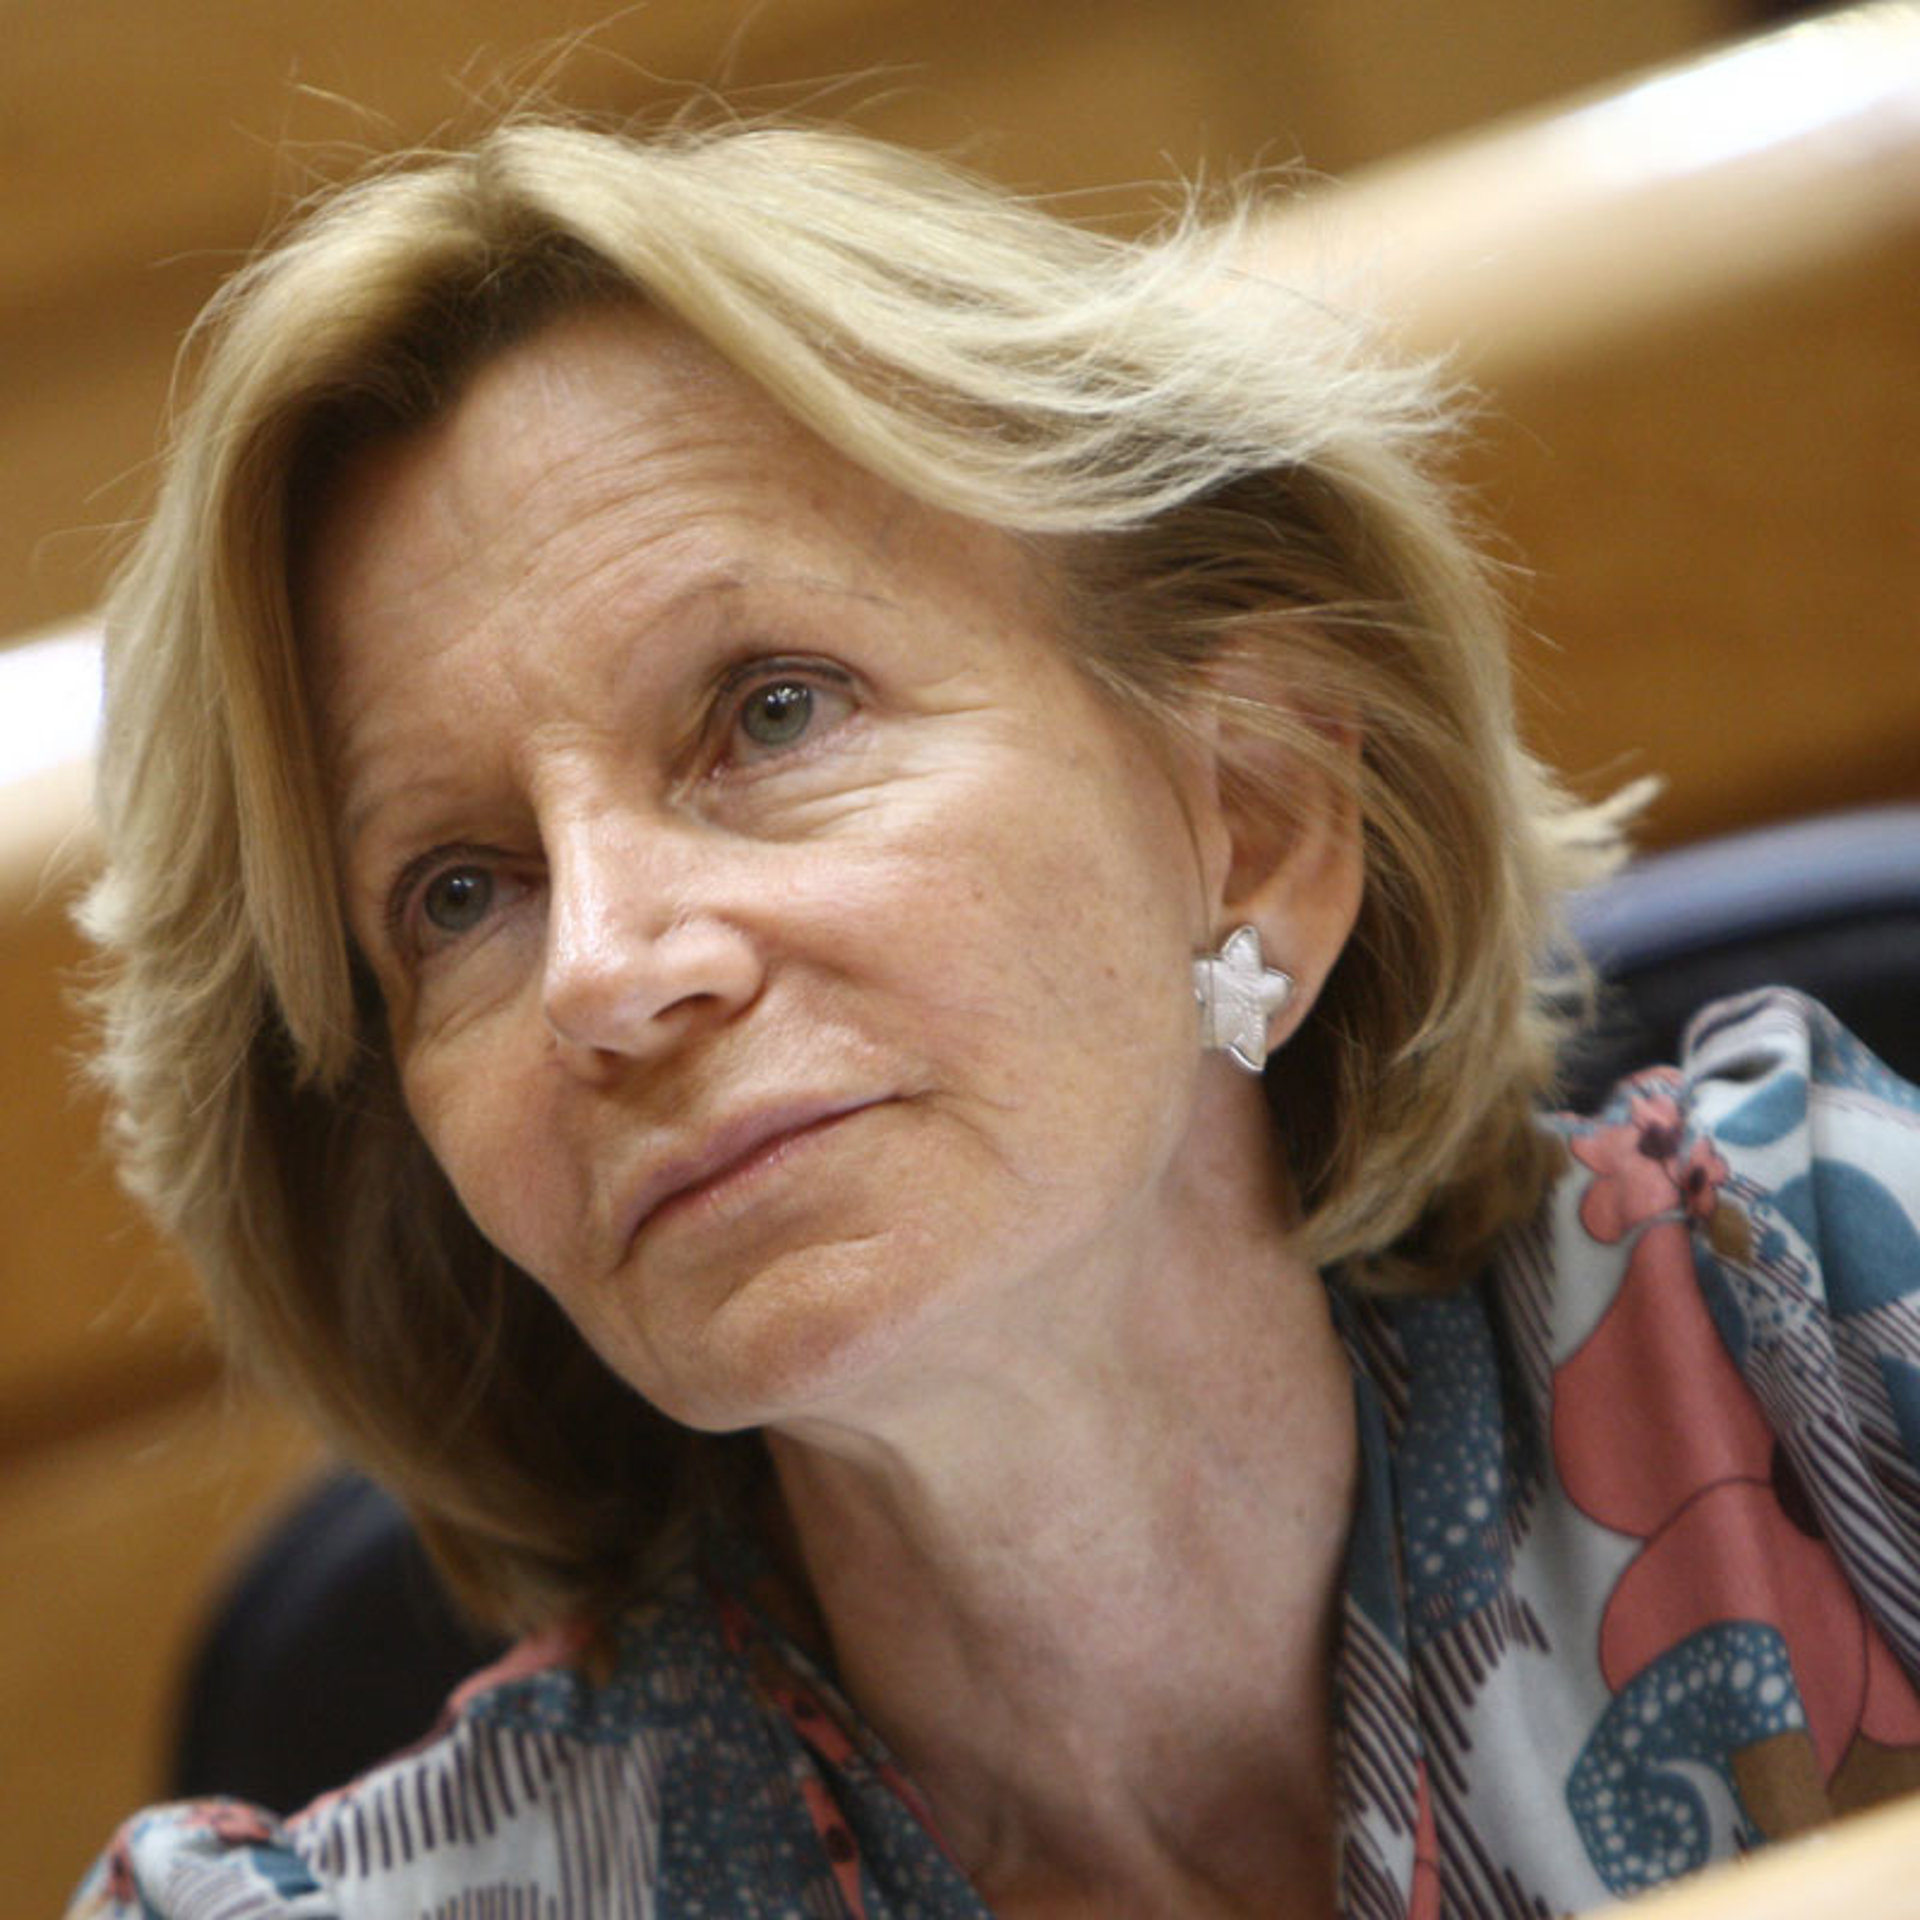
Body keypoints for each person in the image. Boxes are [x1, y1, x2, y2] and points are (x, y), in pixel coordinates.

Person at [67, 115, 1920, 1920]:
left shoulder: (1824, 1317)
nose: (606, 970)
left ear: (1252, 814)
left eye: (774, 711)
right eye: (459, 894)